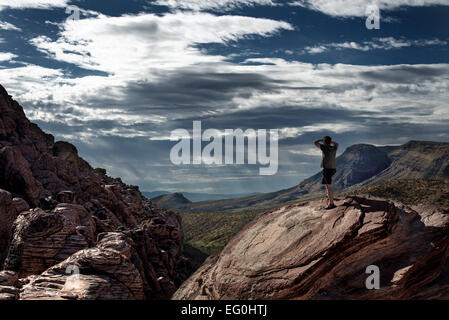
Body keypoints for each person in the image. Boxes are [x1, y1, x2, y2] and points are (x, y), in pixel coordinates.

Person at [314, 136, 338, 209]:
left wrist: (321, 140)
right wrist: (330, 142)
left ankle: (331, 204)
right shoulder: (334, 148)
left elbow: (315, 143)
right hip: (333, 169)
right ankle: (329, 196)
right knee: (327, 185)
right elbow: (337, 143)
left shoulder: (324, 147)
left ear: (324, 142)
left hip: (327, 169)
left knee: (329, 186)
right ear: (330, 142)